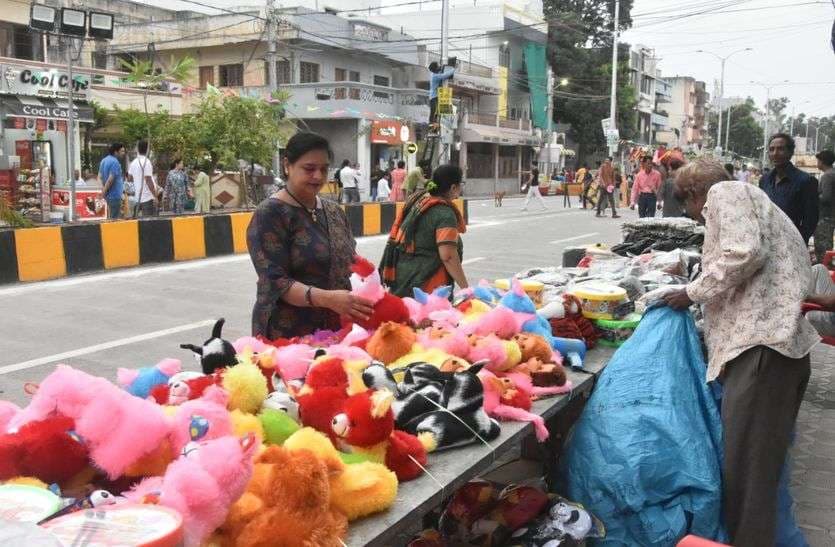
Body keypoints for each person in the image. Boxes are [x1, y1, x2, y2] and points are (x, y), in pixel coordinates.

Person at [662, 158, 818, 547]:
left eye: (686, 204)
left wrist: (691, 292)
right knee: (758, 471)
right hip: (774, 347)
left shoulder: (725, 192)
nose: (693, 216)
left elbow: (743, 253)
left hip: (762, 348)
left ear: (696, 193)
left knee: (748, 476)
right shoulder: (754, 198)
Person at [246, 132, 373, 339]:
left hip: (335, 329)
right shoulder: (271, 213)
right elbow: (275, 282)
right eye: (309, 169)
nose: (318, 176)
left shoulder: (334, 212)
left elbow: (351, 263)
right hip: (288, 334)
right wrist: (328, 299)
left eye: (323, 169)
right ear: (288, 165)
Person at [379, 164, 468, 297]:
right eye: (460, 184)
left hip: (403, 280)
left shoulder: (419, 201)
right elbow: (448, 256)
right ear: (453, 187)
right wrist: (466, 288)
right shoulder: (444, 213)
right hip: (427, 288)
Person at [759, 133, 819, 243]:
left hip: (791, 245)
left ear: (790, 152)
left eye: (780, 149)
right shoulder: (764, 180)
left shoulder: (806, 181)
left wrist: (797, 241)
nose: (775, 153)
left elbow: (811, 220)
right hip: (767, 243)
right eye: (772, 150)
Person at [814, 149, 835, 262]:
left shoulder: (827, 176)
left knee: (822, 247)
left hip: (825, 218)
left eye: (818, 160)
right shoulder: (833, 173)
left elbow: (826, 198)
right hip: (831, 215)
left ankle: (823, 272)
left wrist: (814, 197)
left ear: (822, 161)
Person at [128, 140, 158, 217]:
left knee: (139, 222)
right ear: (148, 149)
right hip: (147, 197)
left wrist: (137, 179)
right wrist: (155, 196)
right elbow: (148, 180)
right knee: (148, 222)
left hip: (138, 197)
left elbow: (129, 178)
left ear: (138, 149)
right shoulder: (146, 162)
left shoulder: (134, 162)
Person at [99, 142, 126, 220]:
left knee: (109, 218)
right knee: (114, 220)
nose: (123, 153)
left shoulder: (104, 160)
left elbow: (99, 177)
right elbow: (110, 180)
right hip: (114, 196)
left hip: (107, 196)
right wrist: (103, 193)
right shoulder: (115, 162)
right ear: (115, 152)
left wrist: (102, 190)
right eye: (122, 151)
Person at [428, 61, 455, 127]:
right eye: (438, 66)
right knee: (434, 112)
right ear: (435, 68)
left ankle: (435, 124)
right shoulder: (435, 76)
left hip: (435, 96)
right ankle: (432, 125)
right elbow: (444, 75)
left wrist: (443, 67)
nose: (439, 67)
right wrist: (454, 69)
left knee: (437, 112)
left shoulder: (433, 74)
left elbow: (440, 72)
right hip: (434, 97)